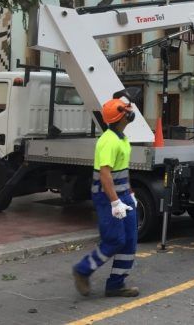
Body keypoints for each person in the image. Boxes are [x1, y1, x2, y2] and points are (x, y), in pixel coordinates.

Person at [72, 98, 139, 298]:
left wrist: (130, 192)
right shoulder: (108, 141)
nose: (130, 112)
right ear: (120, 116)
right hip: (108, 196)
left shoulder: (122, 138)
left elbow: (122, 169)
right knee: (114, 240)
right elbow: (105, 175)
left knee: (129, 242)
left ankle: (116, 285)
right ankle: (82, 270)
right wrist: (115, 202)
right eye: (127, 110)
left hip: (123, 195)